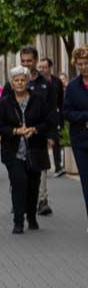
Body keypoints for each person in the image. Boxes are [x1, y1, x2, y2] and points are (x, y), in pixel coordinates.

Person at [0, 66, 58, 234]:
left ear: (27, 81)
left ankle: (31, 217)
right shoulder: (6, 102)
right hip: (13, 152)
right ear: (12, 83)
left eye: (23, 80)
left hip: (35, 150)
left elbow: (49, 121)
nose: (20, 83)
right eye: (16, 80)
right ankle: (18, 221)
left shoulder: (38, 99)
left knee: (33, 186)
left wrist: (35, 129)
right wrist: (16, 131)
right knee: (18, 184)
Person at [19, 46, 54, 216]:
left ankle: (42, 200)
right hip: (19, 134)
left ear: (35, 61)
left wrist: (51, 135)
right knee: (19, 169)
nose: (26, 64)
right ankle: (20, 199)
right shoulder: (15, 82)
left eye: (29, 61)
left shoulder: (44, 84)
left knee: (40, 169)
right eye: (23, 61)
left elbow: (52, 110)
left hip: (39, 134)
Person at [67, 47, 88, 222]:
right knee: (86, 182)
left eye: (86, 63)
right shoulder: (73, 86)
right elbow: (67, 112)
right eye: (80, 64)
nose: (83, 67)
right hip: (81, 140)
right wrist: (84, 118)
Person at [40, 57, 66, 177]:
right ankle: (42, 165)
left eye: (45, 67)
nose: (42, 70)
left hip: (53, 115)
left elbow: (60, 100)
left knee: (55, 140)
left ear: (50, 68)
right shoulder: (38, 81)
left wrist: (60, 116)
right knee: (41, 141)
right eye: (41, 67)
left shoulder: (57, 82)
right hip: (40, 116)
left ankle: (58, 166)